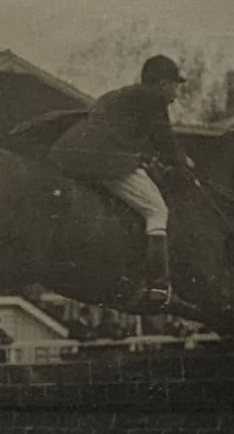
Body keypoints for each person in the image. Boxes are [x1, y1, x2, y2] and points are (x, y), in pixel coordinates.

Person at [49, 54, 194, 306]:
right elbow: (165, 143)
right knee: (157, 211)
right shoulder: (154, 100)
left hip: (70, 156)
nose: (175, 94)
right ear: (162, 84)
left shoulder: (117, 96)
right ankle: (159, 285)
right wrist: (184, 162)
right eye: (174, 85)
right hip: (105, 160)